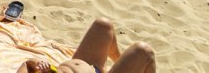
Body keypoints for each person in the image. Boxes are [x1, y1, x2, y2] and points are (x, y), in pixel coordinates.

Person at [15, 19, 157, 73]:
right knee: (144, 52)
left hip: (88, 65)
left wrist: (39, 65)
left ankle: (121, 65)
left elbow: (27, 64)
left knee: (103, 26)